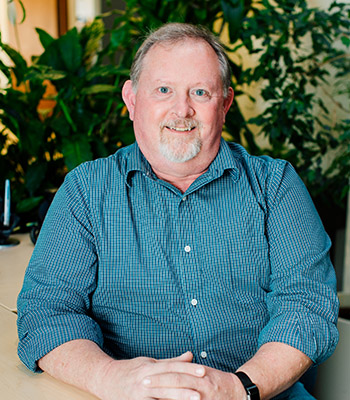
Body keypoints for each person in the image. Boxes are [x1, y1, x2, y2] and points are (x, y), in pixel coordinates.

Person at [17, 23, 339, 400]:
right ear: (132, 99)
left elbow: (308, 305)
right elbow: (46, 311)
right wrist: (110, 378)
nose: (181, 109)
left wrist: (239, 388)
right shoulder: (87, 190)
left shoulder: (275, 185)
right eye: (163, 90)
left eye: (200, 92)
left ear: (225, 104)